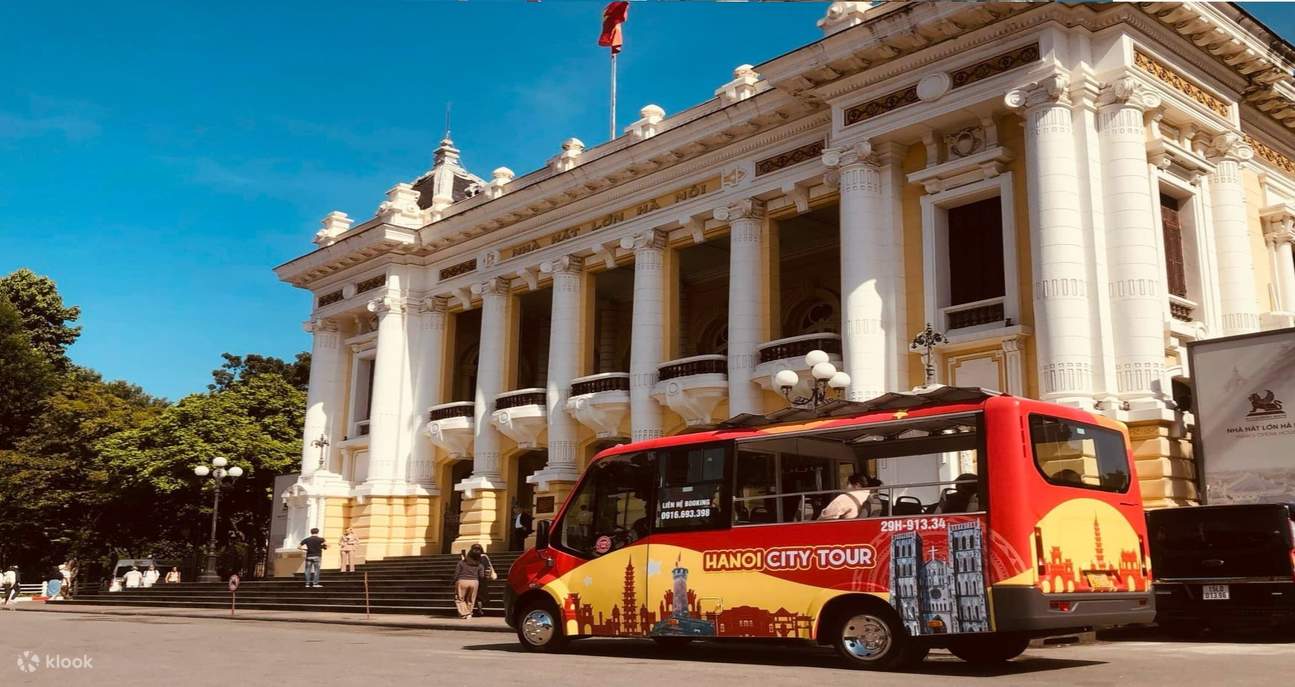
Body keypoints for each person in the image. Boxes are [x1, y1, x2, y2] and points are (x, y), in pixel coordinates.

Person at [453, 545, 494, 620]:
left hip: (462, 581)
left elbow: (456, 573)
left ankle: (464, 613)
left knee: (459, 599)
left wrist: (454, 581)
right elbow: (481, 576)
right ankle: (469, 613)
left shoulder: (461, 563)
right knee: (471, 599)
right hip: (474, 582)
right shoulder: (480, 565)